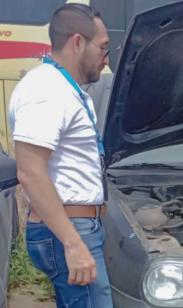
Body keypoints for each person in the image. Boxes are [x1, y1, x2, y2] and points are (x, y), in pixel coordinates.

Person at [8, 3, 113, 307]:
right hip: (67, 228)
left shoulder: (65, 89)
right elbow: (30, 172)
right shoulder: (46, 91)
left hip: (76, 226)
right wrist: (73, 243)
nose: (106, 57)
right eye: (103, 47)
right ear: (78, 42)